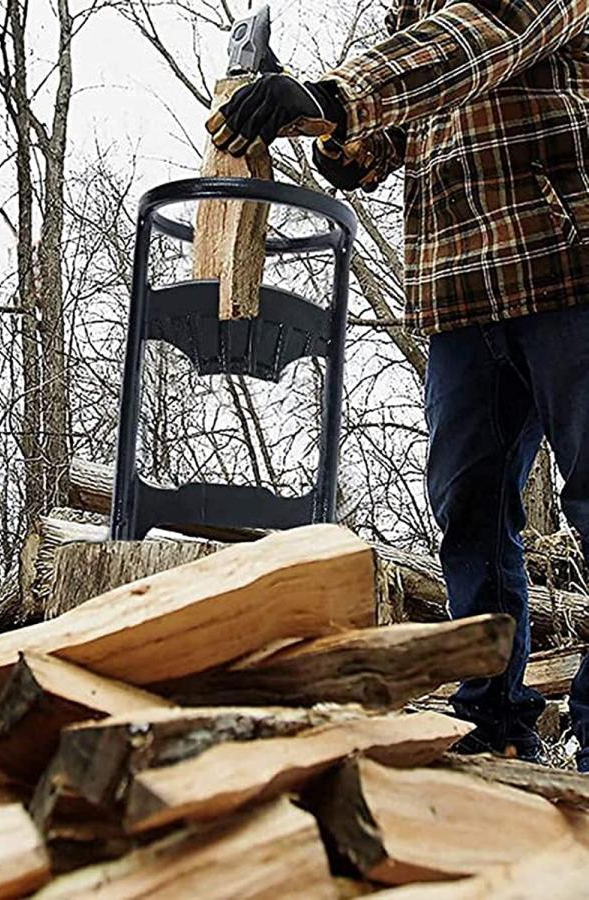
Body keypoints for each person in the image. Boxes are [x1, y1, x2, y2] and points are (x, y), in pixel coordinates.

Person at [208, 0, 589, 769]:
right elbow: (377, 144)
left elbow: (486, 35)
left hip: (568, 264)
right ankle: (493, 718)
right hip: (458, 296)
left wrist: (333, 95)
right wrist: (326, 132)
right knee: (469, 512)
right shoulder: (413, 17)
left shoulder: (478, 15)